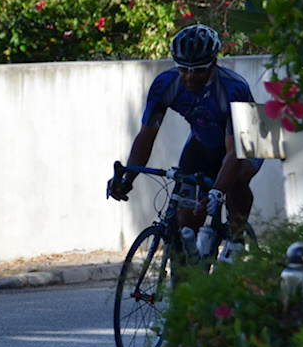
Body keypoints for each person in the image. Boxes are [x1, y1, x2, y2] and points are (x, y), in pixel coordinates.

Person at [106, 24, 261, 255]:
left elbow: (234, 153)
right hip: (203, 142)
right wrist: (129, 177)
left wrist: (217, 191)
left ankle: (235, 242)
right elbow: (146, 136)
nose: (189, 76)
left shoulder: (233, 88)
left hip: (244, 143)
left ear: (214, 63)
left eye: (198, 70)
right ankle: (187, 273)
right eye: (183, 69)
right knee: (185, 217)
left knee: (235, 183)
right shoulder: (164, 85)